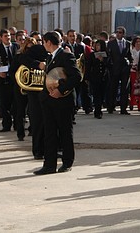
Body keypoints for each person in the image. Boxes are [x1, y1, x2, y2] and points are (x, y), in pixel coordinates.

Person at [33, 31, 82, 175]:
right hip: (49, 101)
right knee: (49, 133)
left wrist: (61, 89)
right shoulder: (49, 57)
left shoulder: (66, 56)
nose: (43, 45)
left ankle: (67, 162)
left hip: (63, 101)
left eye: (43, 42)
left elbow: (76, 76)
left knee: (65, 132)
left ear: (48, 42)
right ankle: (49, 165)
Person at [0, 29, 19, 133]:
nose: (8, 38)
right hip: (3, 79)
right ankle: (6, 125)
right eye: (6, 36)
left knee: (16, 103)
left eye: (9, 35)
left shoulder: (16, 47)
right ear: (1, 38)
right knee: (4, 103)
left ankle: (17, 124)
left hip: (15, 79)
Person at [106, 26, 133, 114]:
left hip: (124, 69)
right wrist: (110, 67)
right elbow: (108, 56)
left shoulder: (128, 43)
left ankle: (123, 108)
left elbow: (129, 56)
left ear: (123, 34)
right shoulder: (111, 43)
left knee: (124, 89)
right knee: (113, 88)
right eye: (117, 32)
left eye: (120, 32)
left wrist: (130, 64)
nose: (118, 34)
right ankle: (111, 107)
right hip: (115, 69)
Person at [86, 39, 110, 119]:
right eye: (96, 45)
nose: (97, 47)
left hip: (104, 77)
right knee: (96, 95)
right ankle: (97, 111)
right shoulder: (92, 55)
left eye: (99, 45)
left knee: (102, 94)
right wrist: (87, 77)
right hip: (95, 77)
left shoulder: (106, 54)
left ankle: (100, 107)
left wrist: (103, 60)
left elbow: (109, 65)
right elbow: (89, 66)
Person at [129, 36, 140, 112]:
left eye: (139, 42)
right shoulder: (132, 51)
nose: (138, 43)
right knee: (133, 87)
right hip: (134, 71)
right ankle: (132, 103)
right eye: (136, 42)